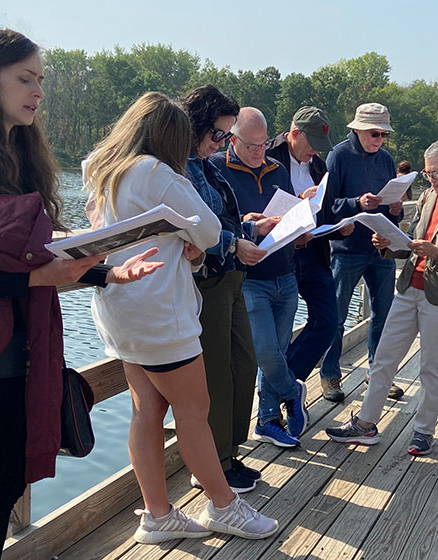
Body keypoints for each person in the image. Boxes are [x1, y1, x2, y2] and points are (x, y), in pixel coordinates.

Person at [0, 23, 160, 559]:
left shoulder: (22, 154)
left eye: (40, 79)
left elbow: (38, 252)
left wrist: (104, 272)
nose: (38, 91)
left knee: (4, 491)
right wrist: (36, 279)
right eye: (25, 79)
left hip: (28, 351)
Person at [86, 92, 277, 543]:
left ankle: (157, 514)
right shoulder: (156, 171)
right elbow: (210, 229)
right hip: (160, 314)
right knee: (194, 411)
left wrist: (181, 239)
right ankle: (224, 505)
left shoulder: (102, 168)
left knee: (146, 411)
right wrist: (188, 238)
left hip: (119, 307)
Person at [325, 138, 438, 456]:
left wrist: (437, 253)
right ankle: (366, 424)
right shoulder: (429, 196)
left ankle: (424, 431)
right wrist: (387, 244)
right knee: (384, 358)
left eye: (434, 172)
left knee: (432, 367)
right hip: (409, 289)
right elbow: (411, 242)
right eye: (426, 172)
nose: (429, 178)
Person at [181, 85, 271, 494]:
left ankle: (231, 451)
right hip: (209, 283)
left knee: (243, 364)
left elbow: (220, 221)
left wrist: (252, 229)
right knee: (216, 373)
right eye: (218, 134)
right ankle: (215, 463)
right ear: (197, 126)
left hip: (232, 277)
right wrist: (235, 242)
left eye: (225, 134)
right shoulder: (178, 167)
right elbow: (193, 228)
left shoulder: (205, 164)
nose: (220, 143)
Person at [211, 107, 308, 449]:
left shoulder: (278, 169)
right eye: (251, 146)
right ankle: (292, 390)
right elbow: (212, 224)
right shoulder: (216, 169)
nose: (258, 152)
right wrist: (246, 223)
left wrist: (301, 219)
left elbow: (289, 213)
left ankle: (267, 419)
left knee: (278, 350)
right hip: (248, 277)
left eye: (264, 144)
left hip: (285, 270)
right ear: (232, 139)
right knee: (263, 351)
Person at [322, 102, 405, 401]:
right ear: (357, 129)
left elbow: (391, 206)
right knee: (336, 315)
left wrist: (396, 210)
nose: (379, 139)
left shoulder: (385, 159)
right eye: (374, 133)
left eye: (384, 134)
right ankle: (330, 375)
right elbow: (325, 207)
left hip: (381, 248)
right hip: (347, 250)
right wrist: (357, 203)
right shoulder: (338, 156)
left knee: (385, 314)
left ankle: (378, 373)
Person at [265, 106, 343, 397]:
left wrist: (339, 226)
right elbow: (260, 207)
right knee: (276, 336)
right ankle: (281, 394)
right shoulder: (267, 156)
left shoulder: (318, 166)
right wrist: (299, 200)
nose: (315, 152)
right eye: (312, 144)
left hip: (314, 253)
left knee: (328, 321)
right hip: (279, 257)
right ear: (294, 134)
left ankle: (285, 386)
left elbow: (326, 210)